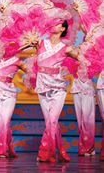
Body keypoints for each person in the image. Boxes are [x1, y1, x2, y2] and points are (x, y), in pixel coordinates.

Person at [33, 20, 79, 163]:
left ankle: (46, 153)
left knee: (52, 121)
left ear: (62, 28)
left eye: (58, 23)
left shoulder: (66, 48)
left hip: (58, 87)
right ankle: (62, 150)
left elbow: (83, 60)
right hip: (42, 85)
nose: (53, 24)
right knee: (50, 122)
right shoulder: (40, 43)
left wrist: (69, 70)